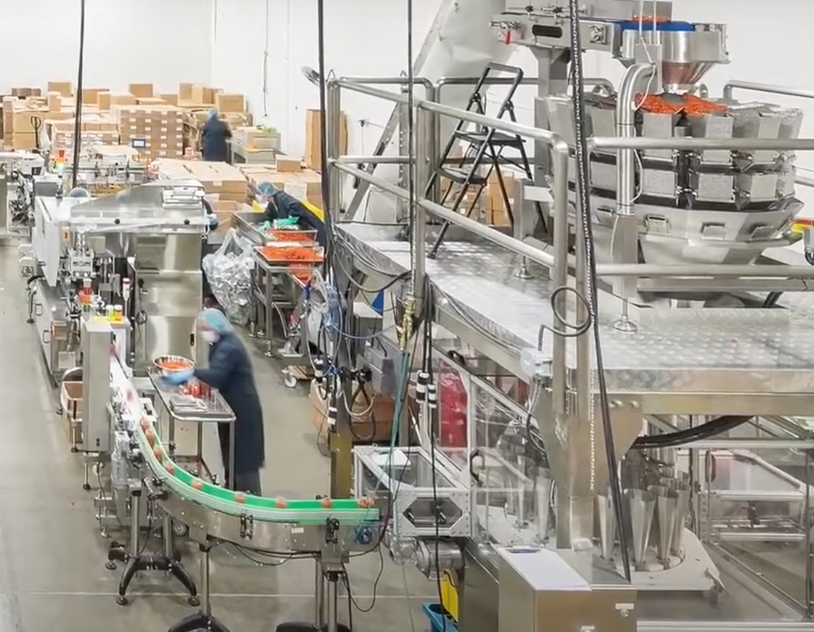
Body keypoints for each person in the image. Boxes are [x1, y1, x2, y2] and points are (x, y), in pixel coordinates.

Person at [164, 308, 265, 494]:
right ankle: (232, 495)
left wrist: (191, 373)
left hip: (243, 411)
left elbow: (216, 376)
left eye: (205, 327)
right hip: (230, 406)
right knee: (230, 457)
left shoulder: (230, 347)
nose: (204, 332)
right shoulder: (220, 343)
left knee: (243, 461)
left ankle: (251, 507)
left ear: (216, 326)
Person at [258, 182, 326, 246]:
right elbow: (268, 213)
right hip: (302, 231)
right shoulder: (273, 202)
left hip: (313, 228)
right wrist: (267, 221)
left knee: (321, 245)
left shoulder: (281, 197)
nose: (259, 196)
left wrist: (292, 217)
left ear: (266, 193)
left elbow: (295, 204)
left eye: (260, 193)